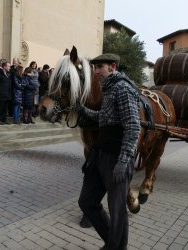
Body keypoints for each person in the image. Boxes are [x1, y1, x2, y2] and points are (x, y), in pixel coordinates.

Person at [76, 53, 140, 250]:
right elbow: (104, 117)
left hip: (116, 158)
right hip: (101, 154)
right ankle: (113, 244)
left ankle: (116, 246)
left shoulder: (122, 88)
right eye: (94, 68)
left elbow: (133, 127)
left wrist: (123, 161)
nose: (95, 71)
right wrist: (83, 110)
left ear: (112, 67)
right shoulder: (109, 88)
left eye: (100, 67)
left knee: (117, 210)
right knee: (87, 201)